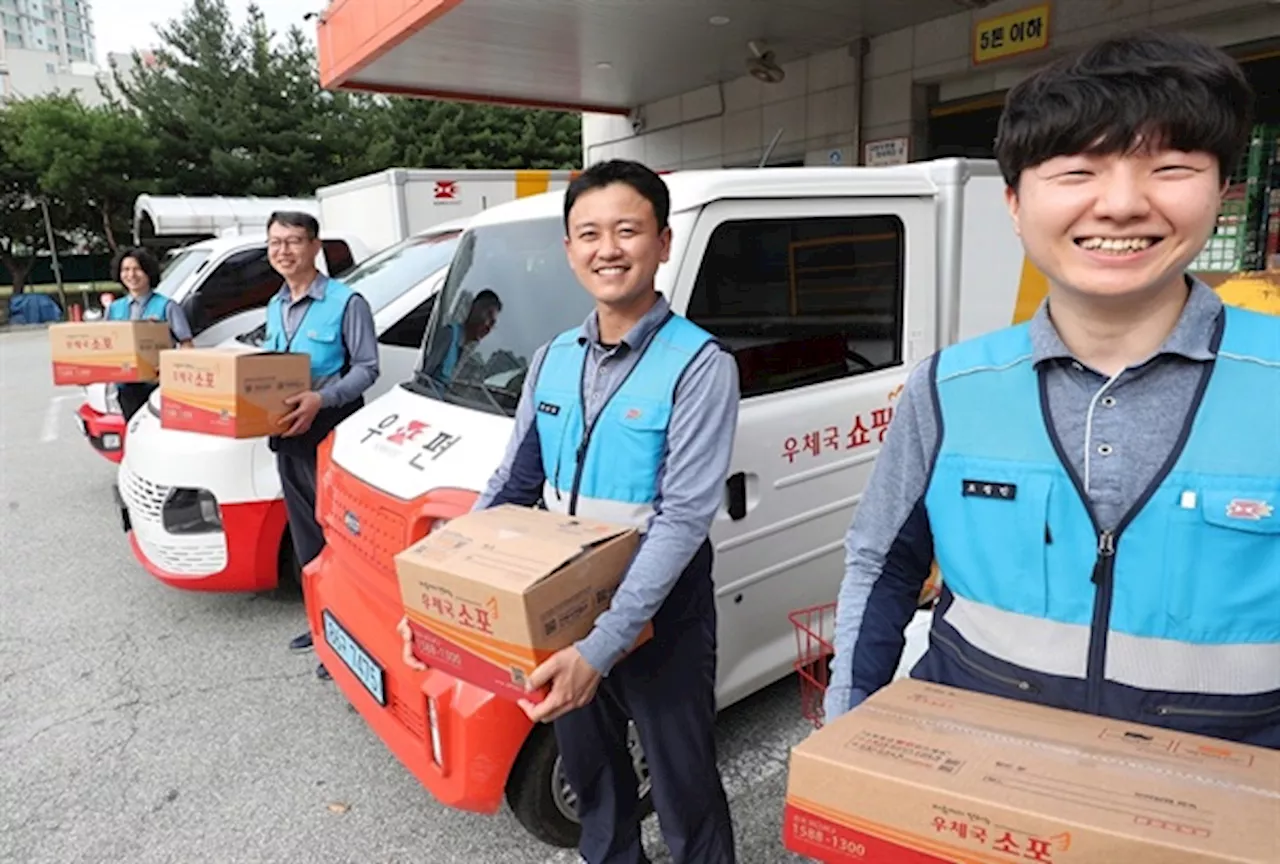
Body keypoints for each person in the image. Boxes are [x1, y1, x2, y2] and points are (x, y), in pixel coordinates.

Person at [824, 30, 1280, 750]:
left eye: (1169, 167)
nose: (1123, 205)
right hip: (979, 790)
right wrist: (845, 749)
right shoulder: (951, 385)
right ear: (1014, 201)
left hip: (1217, 815)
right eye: (1077, 171)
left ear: (1223, 189)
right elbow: (881, 571)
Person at [403, 161, 740, 862]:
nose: (607, 249)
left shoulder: (700, 365)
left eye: (627, 230)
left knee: (683, 788)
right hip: (563, 605)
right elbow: (510, 486)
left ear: (664, 243)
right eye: (589, 233)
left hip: (661, 613)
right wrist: (443, 596)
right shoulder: (553, 358)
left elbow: (680, 520)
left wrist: (603, 645)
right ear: (568, 250)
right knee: (595, 786)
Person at [263, 212, 380, 679]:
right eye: (275, 242)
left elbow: (366, 368)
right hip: (286, 435)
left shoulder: (346, 302)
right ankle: (319, 622)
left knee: (341, 537)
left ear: (315, 247)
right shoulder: (274, 304)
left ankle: (348, 635)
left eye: (293, 241)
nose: (283, 250)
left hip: (329, 429)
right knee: (307, 534)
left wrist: (321, 399)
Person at [107, 246, 193, 421]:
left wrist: (172, 368)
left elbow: (187, 345)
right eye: (126, 270)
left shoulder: (167, 306)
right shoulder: (114, 309)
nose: (131, 275)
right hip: (126, 388)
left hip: (158, 387)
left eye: (137, 269)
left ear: (148, 272)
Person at [421, 288, 502, 384]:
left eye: (493, 324)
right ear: (474, 308)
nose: (488, 327)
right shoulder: (449, 334)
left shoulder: (468, 352)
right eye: (488, 316)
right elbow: (423, 377)